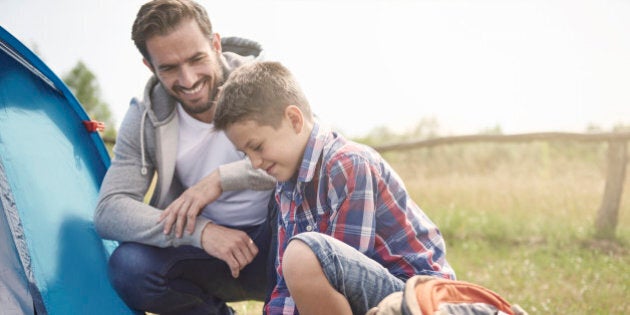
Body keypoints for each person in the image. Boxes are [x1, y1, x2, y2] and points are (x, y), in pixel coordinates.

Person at [213, 61, 457, 315]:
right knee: (298, 261)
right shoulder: (286, 186)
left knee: (303, 258)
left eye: (258, 147)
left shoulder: (347, 165)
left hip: (417, 299)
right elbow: (287, 288)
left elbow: (338, 274)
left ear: (294, 120)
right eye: (245, 154)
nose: (254, 162)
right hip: (367, 296)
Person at [93, 1, 277, 314]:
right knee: (130, 267)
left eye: (196, 59)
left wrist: (220, 180)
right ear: (150, 67)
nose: (189, 79)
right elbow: (110, 210)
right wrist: (202, 232)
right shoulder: (143, 116)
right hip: (206, 254)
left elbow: (308, 155)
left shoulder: (264, 83)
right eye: (169, 68)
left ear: (215, 44)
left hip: (279, 238)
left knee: (320, 240)